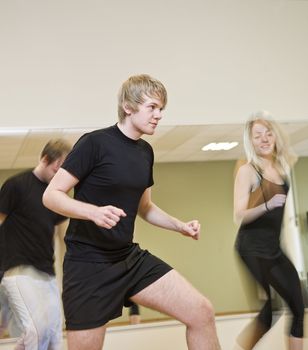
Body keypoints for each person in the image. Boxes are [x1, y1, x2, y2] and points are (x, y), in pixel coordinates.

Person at [42, 74, 221, 350]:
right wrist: (93, 212)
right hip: (88, 265)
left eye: (161, 109)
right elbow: (51, 195)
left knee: (202, 312)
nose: (159, 115)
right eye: (152, 107)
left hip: (128, 258)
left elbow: (145, 207)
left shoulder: (145, 152)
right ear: (128, 106)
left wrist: (180, 226)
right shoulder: (94, 143)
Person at [233, 111, 304, 350]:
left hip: (273, 248)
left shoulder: (282, 167)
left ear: (275, 136)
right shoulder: (249, 171)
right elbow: (238, 214)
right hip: (251, 248)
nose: (264, 139)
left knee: (298, 305)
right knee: (270, 309)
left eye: (268, 133)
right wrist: (265, 205)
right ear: (250, 141)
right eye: (257, 136)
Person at [0, 138, 71, 350]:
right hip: (18, 270)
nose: (58, 175)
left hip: (46, 274)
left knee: (53, 336)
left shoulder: (56, 195)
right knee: (36, 331)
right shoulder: (16, 185)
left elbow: (62, 236)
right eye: (56, 168)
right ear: (45, 159)